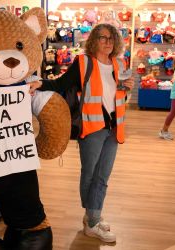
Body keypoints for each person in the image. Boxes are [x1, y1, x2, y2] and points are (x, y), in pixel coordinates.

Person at [29, 23, 134, 243]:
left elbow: (120, 96)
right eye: (103, 38)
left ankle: (92, 217)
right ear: (94, 40)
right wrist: (39, 83)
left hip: (114, 128)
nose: (107, 42)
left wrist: (127, 88)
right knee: (90, 174)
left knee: (103, 176)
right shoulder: (83, 62)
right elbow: (60, 84)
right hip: (92, 127)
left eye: (111, 39)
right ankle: (93, 220)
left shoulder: (120, 63)